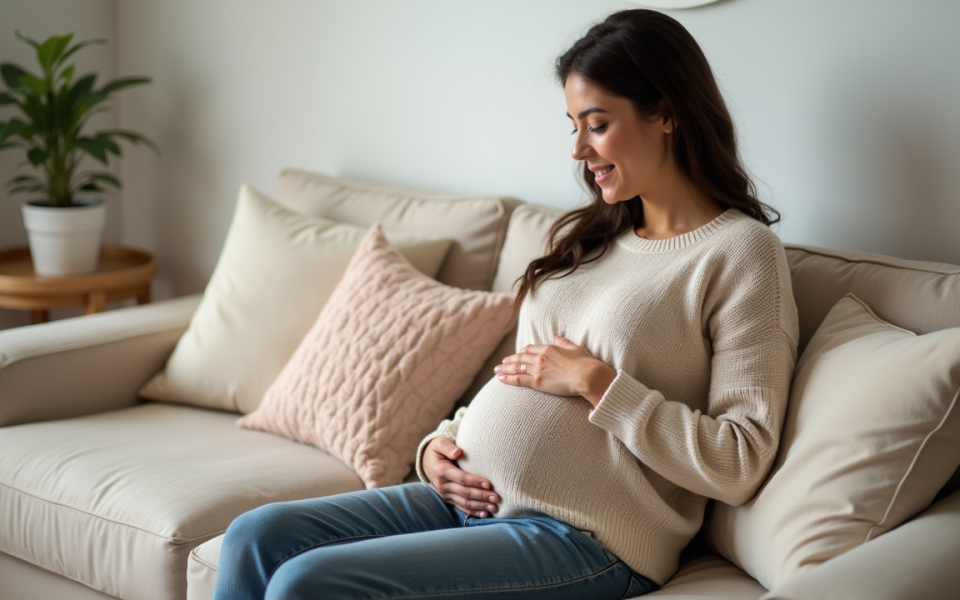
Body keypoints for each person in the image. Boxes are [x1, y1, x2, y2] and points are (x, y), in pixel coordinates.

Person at [212, 9, 798, 600]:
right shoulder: (590, 241)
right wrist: (437, 448)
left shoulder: (740, 253)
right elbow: (520, 380)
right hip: (466, 499)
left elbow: (740, 459)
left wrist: (597, 382)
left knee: (306, 582)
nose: (577, 149)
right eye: (572, 125)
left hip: (583, 537)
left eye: (596, 125)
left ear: (667, 113)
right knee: (254, 536)